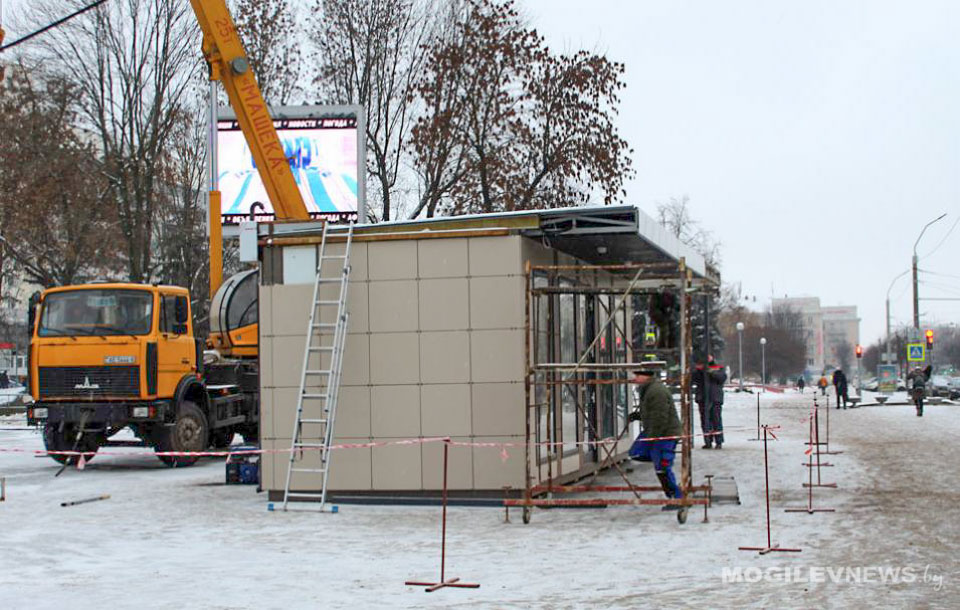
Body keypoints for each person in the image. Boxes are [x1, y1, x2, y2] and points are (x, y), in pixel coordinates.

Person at [627, 366, 684, 510]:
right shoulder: (650, 389)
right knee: (641, 455)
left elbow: (660, 416)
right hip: (659, 434)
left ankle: (677, 498)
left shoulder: (656, 391)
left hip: (664, 435)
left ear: (646, 376)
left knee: (663, 467)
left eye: (638, 376)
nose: (635, 379)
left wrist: (652, 438)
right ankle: (674, 495)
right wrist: (638, 416)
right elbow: (652, 412)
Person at [692, 356, 727, 449]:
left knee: (716, 419)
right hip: (703, 398)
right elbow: (694, 378)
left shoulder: (718, 367)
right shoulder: (699, 369)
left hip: (715, 398)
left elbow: (722, 378)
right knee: (705, 420)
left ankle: (718, 441)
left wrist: (711, 372)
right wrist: (700, 370)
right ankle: (708, 441)